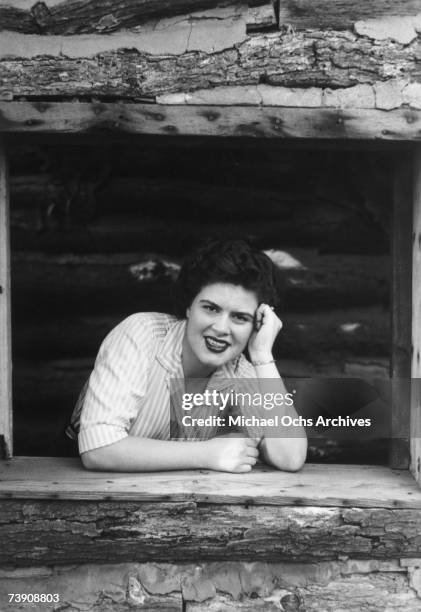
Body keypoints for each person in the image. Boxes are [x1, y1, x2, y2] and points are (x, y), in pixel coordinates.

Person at [67, 240, 307, 473]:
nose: (222, 328)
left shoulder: (240, 372)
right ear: (189, 306)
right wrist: (208, 454)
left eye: (240, 317)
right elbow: (98, 449)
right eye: (211, 308)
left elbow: (290, 457)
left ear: (255, 325)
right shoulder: (142, 334)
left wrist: (262, 355)